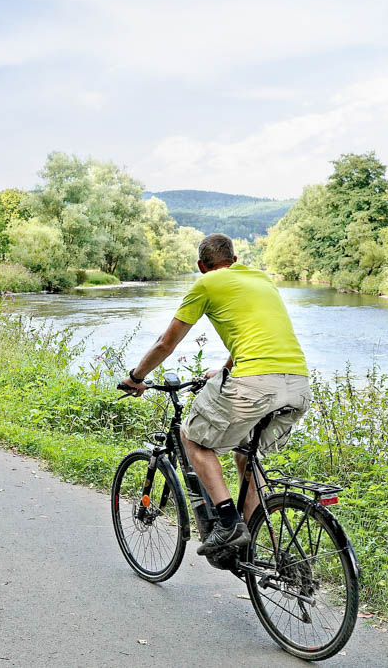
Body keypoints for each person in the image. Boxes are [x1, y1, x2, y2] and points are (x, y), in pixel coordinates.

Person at [121, 233, 311, 556]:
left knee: (190, 437)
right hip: (298, 385)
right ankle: (270, 552)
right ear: (234, 261)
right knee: (244, 454)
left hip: (256, 385)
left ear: (201, 266)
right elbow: (254, 337)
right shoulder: (261, 278)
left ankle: (227, 523)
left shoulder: (206, 284)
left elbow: (166, 343)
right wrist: (224, 370)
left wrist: (137, 377)